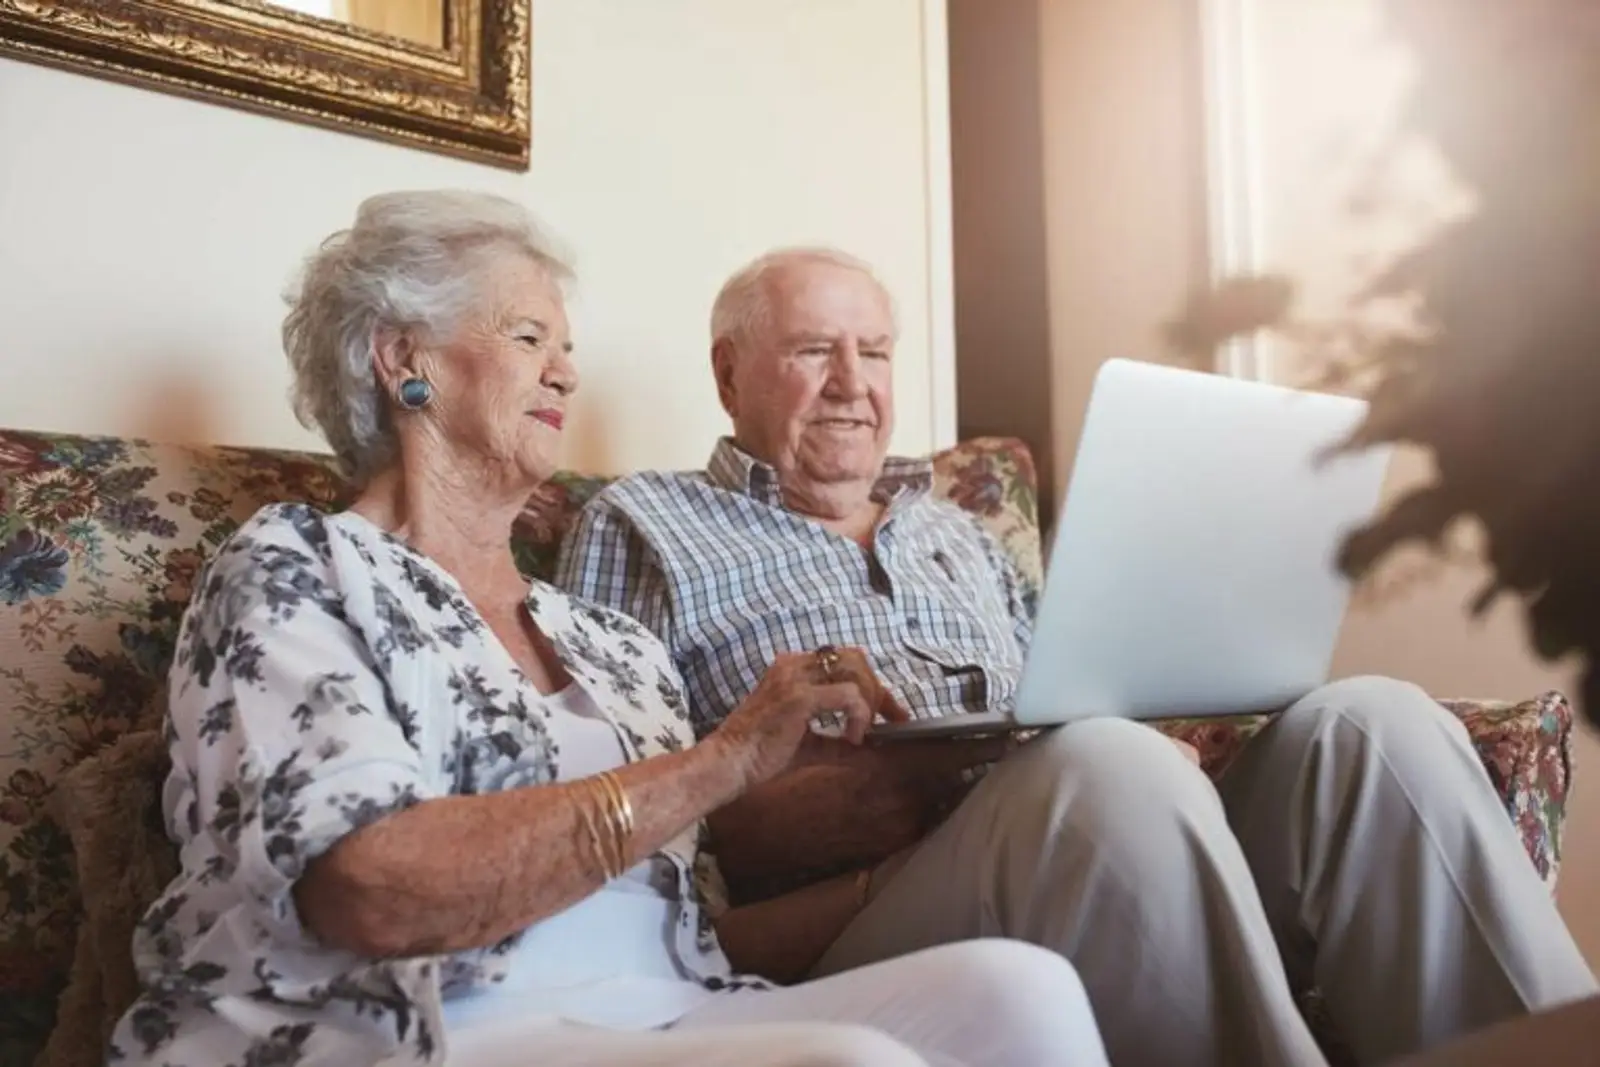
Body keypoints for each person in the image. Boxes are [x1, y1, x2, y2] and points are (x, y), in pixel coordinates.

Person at [107, 192, 1111, 1067]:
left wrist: (919, 857)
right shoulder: (296, 569)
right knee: (848, 1055)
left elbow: (693, 936)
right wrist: (723, 760)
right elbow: (369, 890)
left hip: (668, 1009)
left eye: (567, 348)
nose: (565, 375)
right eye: (527, 336)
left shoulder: (606, 642)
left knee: (1019, 992)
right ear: (401, 355)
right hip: (409, 1023)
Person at [554, 245, 1598, 1067]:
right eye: (812, 350)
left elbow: (1066, 696)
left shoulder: (957, 528)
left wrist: (1139, 726)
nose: (851, 383)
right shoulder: (639, 523)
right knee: (1105, 766)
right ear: (729, 369)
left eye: (874, 351)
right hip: (858, 895)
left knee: (1369, 722)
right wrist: (770, 804)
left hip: (1090, 826)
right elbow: (603, 813)